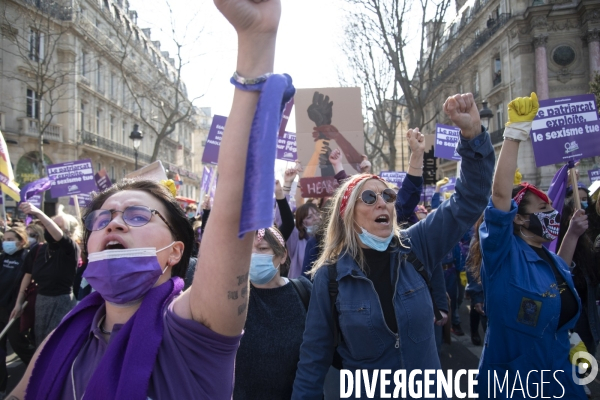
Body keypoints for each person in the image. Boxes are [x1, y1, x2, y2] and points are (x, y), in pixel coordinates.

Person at [7, 0, 285, 398]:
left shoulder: (194, 328)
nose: (114, 223)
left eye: (137, 215)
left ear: (174, 252)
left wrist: (256, 42)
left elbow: (232, 203)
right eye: (101, 220)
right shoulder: (59, 339)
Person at [292, 92, 494, 399]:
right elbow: (313, 359)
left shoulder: (418, 245)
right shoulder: (330, 277)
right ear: (348, 216)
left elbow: (470, 200)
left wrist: (472, 136)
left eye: (387, 196)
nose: (383, 203)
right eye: (370, 198)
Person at [473, 92, 586, 398]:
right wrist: (514, 133)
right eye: (542, 210)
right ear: (520, 219)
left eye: (551, 209)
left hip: (561, 379)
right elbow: (498, 200)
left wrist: (572, 235)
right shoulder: (502, 255)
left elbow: (554, 278)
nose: (552, 215)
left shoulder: (545, 256)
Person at [234, 227, 312, 399]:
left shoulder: (304, 291)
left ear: (283, 255)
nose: (253, 256)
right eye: (248, 250)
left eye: (262, 249)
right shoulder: (235, 297)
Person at [11, 203, 80, 348]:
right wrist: (19, 302)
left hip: (62, 302)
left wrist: (39, 213)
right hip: (41, 301)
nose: (49, 229)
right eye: (48, 225)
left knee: (54, 345)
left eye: (57, 226)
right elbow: (27, 275)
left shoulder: (71, 249)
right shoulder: (38, 249)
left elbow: (60, 238)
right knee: (39, 344)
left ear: (68, 232)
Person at [0, 226, 30, 398]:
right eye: (5, 239)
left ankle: (38, 371)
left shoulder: (25, 258)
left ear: (21, 241)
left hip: (14, 310)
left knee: (18, 344)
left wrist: (18, 304)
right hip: (0, 308)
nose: (6, 242)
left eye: (10, 239)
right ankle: (2, 385)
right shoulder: (2, 257)